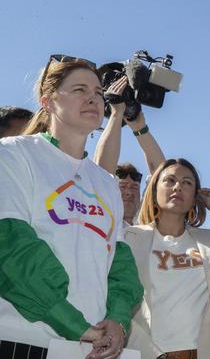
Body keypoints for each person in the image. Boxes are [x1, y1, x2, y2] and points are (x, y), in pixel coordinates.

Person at [0, 55, 143, 358]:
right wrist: (73, 323)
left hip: (91, 344)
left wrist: (117, 321)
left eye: (98, 93)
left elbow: (119, 265)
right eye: (79, 90)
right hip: (24, 340)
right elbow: (11, 249)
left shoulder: (105, 182)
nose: (93, 98)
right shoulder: (13, 155)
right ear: (48, 101)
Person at [124, 158, 210, 359]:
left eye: (187, 183)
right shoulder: (130, 238)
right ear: (154, 191)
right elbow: (121, 302)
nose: (178, 186)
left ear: (194, 197)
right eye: (169, 180)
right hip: (149, 353)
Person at [94, 75, 166, 226]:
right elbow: (101, 173)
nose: (128, 193)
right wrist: (116, 113)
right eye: (122, 187)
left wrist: (140, 128)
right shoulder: (99, 212)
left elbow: (162, 172)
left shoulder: (145, 222)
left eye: (134, 188)